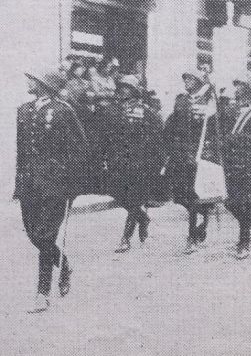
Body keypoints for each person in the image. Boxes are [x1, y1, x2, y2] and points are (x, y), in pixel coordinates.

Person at [15, 68, 88, 313]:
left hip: (55, 184)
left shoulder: (63, 111)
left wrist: (72, 183)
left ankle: (42, 293)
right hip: (29, 183)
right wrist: (19, 182)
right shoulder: (24, 110)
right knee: (33, 234)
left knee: (45, 236)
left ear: (44, 84)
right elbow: (21, 151)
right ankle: (63, 263)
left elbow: (80, 149)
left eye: (33, 79)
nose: (28, 82)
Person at [100, 75, 164, 253]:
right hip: (116, 162)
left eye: (127, 88)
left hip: (139, 163)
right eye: (121, 87)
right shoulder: (112, 110)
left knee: (134, 199)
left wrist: (155, 163)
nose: (122, 91)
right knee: (118, 194)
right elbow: (105, 136)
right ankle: (143, 218)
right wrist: (103, 157)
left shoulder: (145, 112)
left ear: (134, 91)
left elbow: (156, 138)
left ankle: (125, 238)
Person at [163, 69, 218, 254]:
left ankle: (192, 236)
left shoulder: (208, 101)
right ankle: (202, 213)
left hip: (198, 154)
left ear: (199, 82)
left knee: (194, 195)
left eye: (190, 79)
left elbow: (213, 130)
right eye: (185, 78)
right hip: (180, 153)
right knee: (179, 195)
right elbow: (172, 124)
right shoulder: (181, 100)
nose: (186, 81)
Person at [222, 72, 251, 260]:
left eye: (241, 85)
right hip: (231, 162)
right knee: (229, 201)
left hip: (249, 162)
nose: (237, 89)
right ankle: (245, 227)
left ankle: (244, 239)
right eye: (237, 85)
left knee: (244, 201)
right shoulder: (232, 108)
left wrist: (234, 139)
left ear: (250, 88)